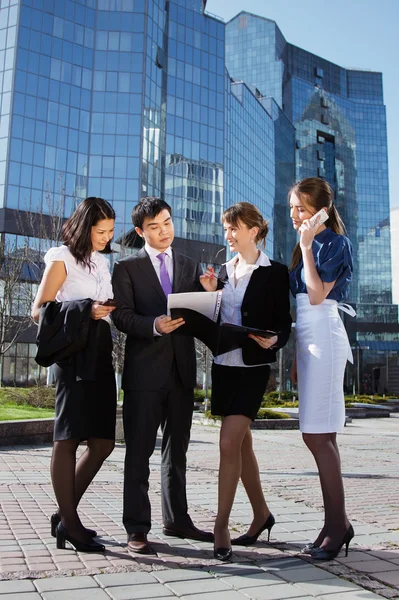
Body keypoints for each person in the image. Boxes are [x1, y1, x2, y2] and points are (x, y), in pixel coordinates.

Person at [112, 196, 213, 554]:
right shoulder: (126, 268)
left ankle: (177, 520)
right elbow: (121, 316)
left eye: (167, 222)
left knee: (177, 452)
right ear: (141, 232)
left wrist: (210, 292)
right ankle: (137, 528)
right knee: (139, 451)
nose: (163, 231)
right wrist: (153, 324)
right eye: (154, 227)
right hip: (144, 373)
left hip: (182, 370)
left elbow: (200, 315)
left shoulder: (189, 265)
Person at [200, 202, 292, 561]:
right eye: (225, 229)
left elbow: (283, 323)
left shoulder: (275, 272)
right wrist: (209, 294)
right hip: (224, 364)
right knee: (243, 446)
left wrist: (276, 340)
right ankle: (261, 515)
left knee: (227, 443)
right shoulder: (222, 271)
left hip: (253, 368)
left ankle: (220, 525)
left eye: (233, 228)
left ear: (253, 230)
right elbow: (214, 318)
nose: (227, 235)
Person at [32, 197, 117, 553]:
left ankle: (64, 515)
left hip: (101, 355)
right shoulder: (61, 258)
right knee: (67, 440)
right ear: (85, 228)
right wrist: (85, 310)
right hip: (73, 357)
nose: (105, 237)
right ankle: (71, 522)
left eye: (110, 231)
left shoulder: (102, 262)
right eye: (100, 231)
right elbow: (38, 311)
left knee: (103, 443)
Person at [289, 177, 355, 561]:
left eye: (301, 208)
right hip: (308, 338)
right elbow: (300, 306)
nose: (295, 215)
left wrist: (306, 245)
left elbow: (316, 295)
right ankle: (336, 523)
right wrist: (298, 358)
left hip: (326, 334)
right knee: (314, 435)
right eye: (293, 208)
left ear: (322, 210)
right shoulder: (308, 246)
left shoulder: (332, 243)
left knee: (319, 436)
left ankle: (338, 525)